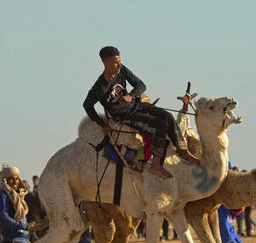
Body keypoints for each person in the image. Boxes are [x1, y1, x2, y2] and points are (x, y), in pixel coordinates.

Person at [83, 46, 198, 179]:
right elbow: (87, 105)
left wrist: (131, 95)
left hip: (137, 106)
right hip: (124, 116)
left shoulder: (122, 70)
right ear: (105, 63)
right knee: (159, 125)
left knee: (167, 116)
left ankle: (184, 151)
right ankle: (155, 165)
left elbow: (141, 85)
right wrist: (102, 124)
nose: (119, 64)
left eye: (120, 61)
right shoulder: (100, 87)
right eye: (115, 62)